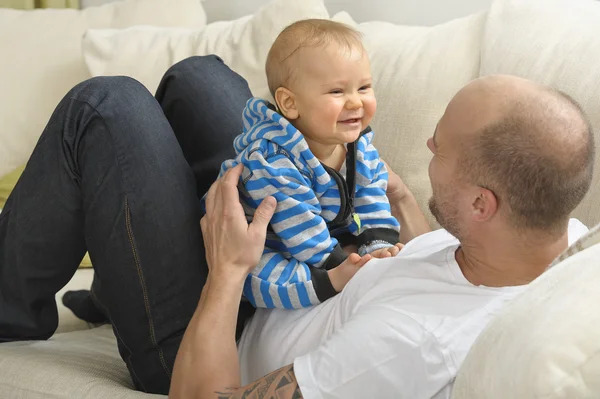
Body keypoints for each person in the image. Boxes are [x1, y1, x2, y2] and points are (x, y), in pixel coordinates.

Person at [0, 52, 594, 397]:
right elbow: (444, 275)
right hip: (313, 264)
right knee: (199, 79)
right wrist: (403, 199)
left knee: (105, 106)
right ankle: (117, 281)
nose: (429, 141)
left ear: (484, 205)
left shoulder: (401, 348)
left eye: (444, 146)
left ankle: (11, 316)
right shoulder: (557, 241)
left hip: (216, 335)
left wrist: (227, 271)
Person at [204, 19, 400, 310]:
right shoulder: (272, 160)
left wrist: (377, 246)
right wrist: (338, 262)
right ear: (290, 103)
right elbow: (300, 228)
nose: (355, 102)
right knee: (264, 278)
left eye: (364, 87)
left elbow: (371, 198)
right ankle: (331, 282)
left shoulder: (360, 147)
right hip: (264, 242)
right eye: (337, 91)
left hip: (322, 232)